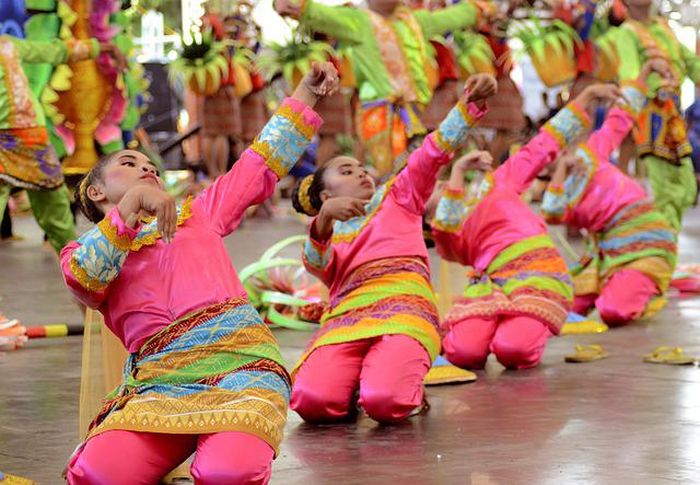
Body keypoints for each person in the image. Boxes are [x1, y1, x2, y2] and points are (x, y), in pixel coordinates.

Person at [60, 63, 339, 485]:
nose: (147, 170)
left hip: (243, 370)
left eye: (150, 166)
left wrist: (306, 93)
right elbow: (87, 278)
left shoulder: (200, 214)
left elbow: (259, 162)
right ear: (97, 192)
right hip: (160, 385)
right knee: (97, 475)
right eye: (130, 164)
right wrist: (129, 210)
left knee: (226, 474)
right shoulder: (83, 252)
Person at [289, 74, 496, 424]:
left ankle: (390, 376)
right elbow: (319, 267)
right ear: (325, 196)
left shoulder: (399, 196)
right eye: (346, 170)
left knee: (385, 402)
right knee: (312, 401)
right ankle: (358, 379)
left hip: (404, 308)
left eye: (361, 168)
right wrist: (323, 222)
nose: (361, 173)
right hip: (347, 316)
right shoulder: (326, 229)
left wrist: (468, 106)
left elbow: (431, 154)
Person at [430, 84, 619, 370]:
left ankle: (520, 328)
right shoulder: (443, 233)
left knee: (512, 350)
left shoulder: (497, 182)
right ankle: (502, 326)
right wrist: (457, 172)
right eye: (426, 191)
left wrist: (587, 96)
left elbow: (543, 145)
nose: (439, 185)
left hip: (537, 278)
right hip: (489, 287)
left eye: (438, 181)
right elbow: (447, 226)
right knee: (462, 354)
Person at [274, 0, 490, 178]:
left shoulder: (413, 20)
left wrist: (479, 7)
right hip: (378, 111)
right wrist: (293, 5)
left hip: (414, 111)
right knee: (395, 172)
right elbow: (321, 14)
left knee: (419, 168)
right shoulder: (359, 20)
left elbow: (451, 17)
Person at [541, 61, 677, 326]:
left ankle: (639, 288)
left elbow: (621, 117)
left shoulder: (591, 153)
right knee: (568, 309)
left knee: (613, 312)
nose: (553, 154)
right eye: (545, 156)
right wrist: (561, 172)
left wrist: (646, 70)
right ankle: (617, 286)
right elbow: (552, 213)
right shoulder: (557, 191)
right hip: (606, 254)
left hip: (644, 245)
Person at [0, 35, 119, 253]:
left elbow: (52, 50)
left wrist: (99, 46)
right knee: (56, 211)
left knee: (57, 213)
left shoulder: (8, 44)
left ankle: (77, 265)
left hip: (31, 142)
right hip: (17, 142)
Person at [613, 0, 700, 231]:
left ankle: (662, 238)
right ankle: (664, 247)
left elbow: (692, 65)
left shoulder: (664, 27)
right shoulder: (626, 33)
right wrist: (651, 73)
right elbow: (629, 78)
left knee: (687, 185)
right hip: (650, 114)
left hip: (674, 116)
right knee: (663, 188)